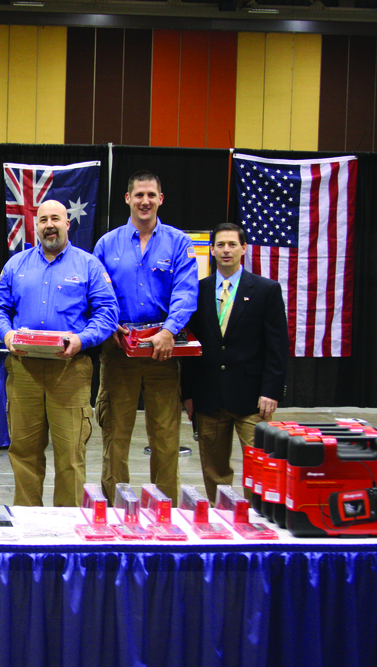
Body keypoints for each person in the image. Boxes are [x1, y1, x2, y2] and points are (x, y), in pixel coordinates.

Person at [0, 200, 119, 506]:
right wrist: (6, 333)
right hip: (24, 369)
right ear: (35, 225)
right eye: (43, 219)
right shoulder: (15, 265)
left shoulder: (89, 266)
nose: (49, 224)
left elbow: (107, 313)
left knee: (70, 455)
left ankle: (67, 528)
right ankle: (27, 523)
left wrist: (83, 339)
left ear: (67, 224)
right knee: (24, 453)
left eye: (56, 219)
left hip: (69, 370)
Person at [93, 171, 197, 505]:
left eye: (151, 195)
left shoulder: (178, 243)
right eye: (139, 195)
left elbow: (185, 291)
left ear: (160, 199)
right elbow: (96, 293)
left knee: (166, 438)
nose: (145, 201)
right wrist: (109, 325)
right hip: (119, 350)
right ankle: (112, 509)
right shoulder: (107, 244)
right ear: (128, 199)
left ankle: (165, 511)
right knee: (115, 436)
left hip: (162, 351)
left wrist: (169, 330)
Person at [181, 223, 288, 502]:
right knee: (214, 470)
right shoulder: (198, 291)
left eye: (232, 244)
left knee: (262, 465)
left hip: (253, 398)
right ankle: (223, 521)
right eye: (220, 245)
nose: (226, 250)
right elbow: (191, 347)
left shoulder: (266, 290)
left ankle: (261, 519)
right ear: (212, 250)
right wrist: (189, 395)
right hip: (208, 397)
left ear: (243, 248)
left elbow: (277, 347)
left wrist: (271, 391)